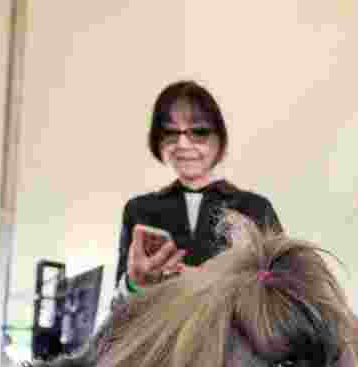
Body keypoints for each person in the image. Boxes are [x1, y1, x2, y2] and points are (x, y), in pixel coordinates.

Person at [116, 81, 282, 299]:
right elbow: (118, 310)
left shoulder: (255, 208)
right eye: (169, 132)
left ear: (219, 138)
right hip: (161, 331)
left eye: (199, 131)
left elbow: (285, 290)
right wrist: (133, 284)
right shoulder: (139, 209)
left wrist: (225, 280)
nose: (182, 143)